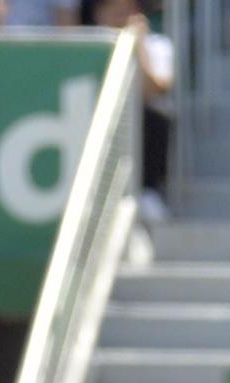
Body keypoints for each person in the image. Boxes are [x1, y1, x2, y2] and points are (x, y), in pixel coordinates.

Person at [92, 0, 172, 220]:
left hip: (140, 125)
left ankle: (147, 190)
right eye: (115, 11)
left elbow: (152, 92)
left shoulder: (156, 45)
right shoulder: (87, 46)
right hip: (93, 120)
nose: (122, 18)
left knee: (156, 117)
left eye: (128, 12)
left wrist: (138, 48)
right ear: (99, 14)